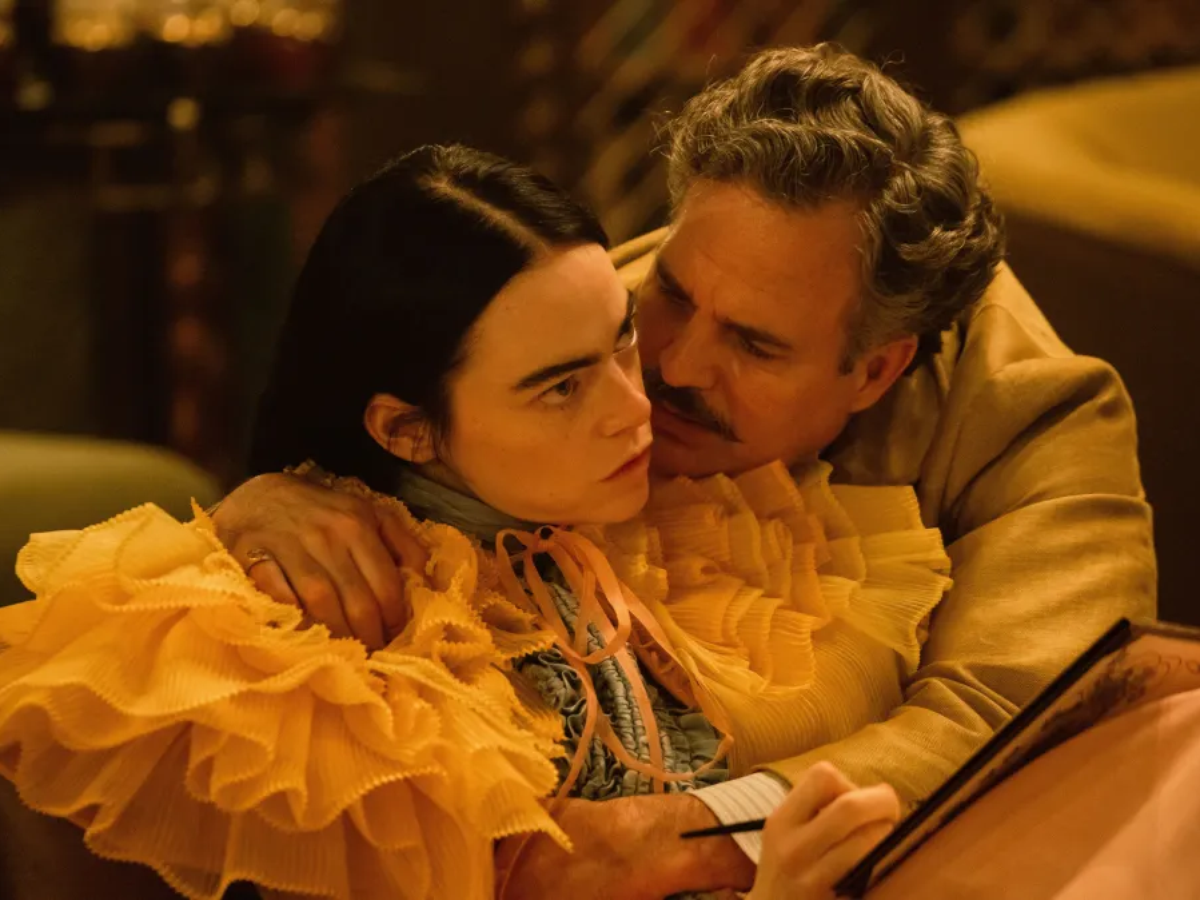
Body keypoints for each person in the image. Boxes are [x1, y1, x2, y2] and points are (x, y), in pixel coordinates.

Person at [210, 43, 1157, 897]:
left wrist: (693, 833)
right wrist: (273, 501)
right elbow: (390, 402)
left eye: (754, 345)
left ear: (876, 371)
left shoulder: (1034, 417)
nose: (668, 368)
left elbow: (1021, 714)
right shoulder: (592, 308)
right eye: (667, 291)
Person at [0, 144, 945, 899]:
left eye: (621, 336)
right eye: (562, 387)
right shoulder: (314, 655)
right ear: (405, 431)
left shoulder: (650, 515)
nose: (640, 406)